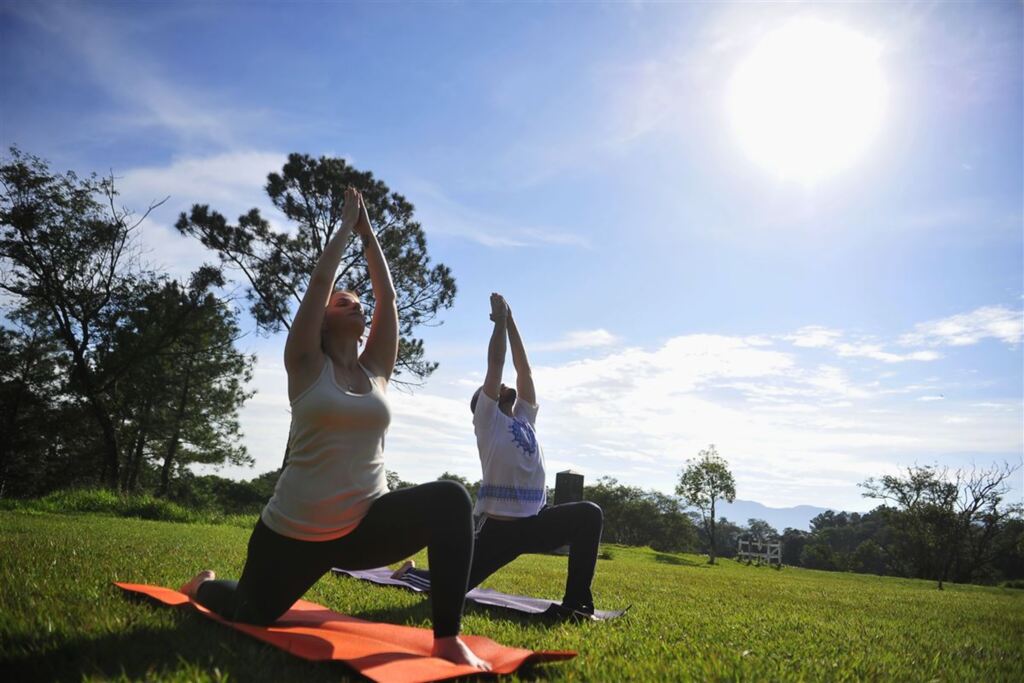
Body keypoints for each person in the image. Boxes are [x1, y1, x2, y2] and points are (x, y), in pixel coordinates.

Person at [181, 188, 490, 670]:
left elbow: (387, 297)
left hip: (364, 527)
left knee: (451, 499)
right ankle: (202, 584)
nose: (354, 303)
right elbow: (321, 281)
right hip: (294, 533)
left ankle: (447, 639)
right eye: (341, 301)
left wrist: (370, 235)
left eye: (355, 302)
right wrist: (345, 226)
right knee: (250, 612)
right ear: (321, 320)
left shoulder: (377, 372)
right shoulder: (305, 364)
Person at [397, 293, 604, 619]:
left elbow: (525, 371)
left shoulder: (524, 417)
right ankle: (409, 572)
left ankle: (576, 603)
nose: (504, 384)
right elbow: (496, 365)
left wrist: (511, 319)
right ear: (484, 402)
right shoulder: (488, 421)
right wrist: (498, 324)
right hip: (500, 532)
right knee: (445, 587)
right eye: (494, 389)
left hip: (537, 522)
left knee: (589, 515)